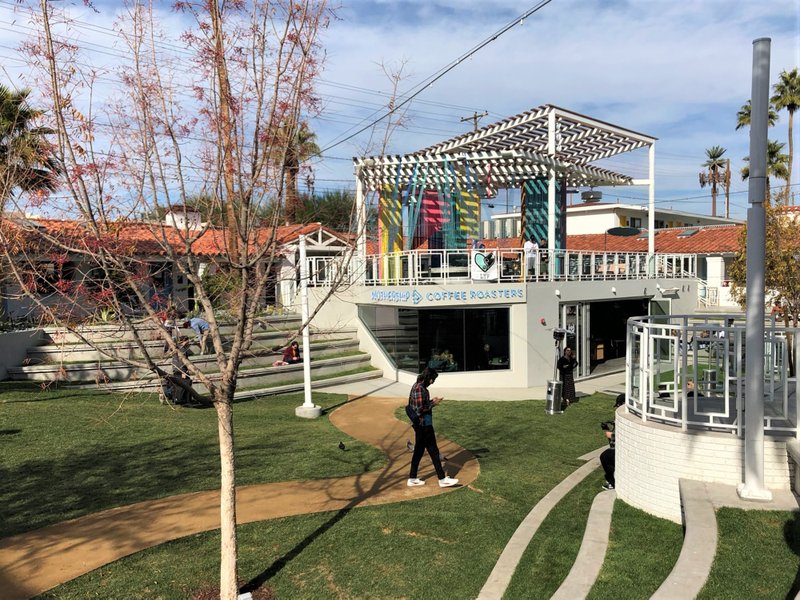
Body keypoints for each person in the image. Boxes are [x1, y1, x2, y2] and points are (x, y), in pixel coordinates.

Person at [406, 368, 459, 488]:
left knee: (419, 452)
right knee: (433, 451)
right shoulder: (420, 388)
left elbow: (420, 405)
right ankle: (442, 479)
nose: (432, 382)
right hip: (423, 425)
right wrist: (433, 403)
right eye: (432, 379)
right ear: (429, 378)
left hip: (422, 425)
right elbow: (420, 409)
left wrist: (431, 401)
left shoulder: (418, 386)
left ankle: (412, 478)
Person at [600, 394, 625, 490]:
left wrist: (612, 436)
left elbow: (623, 437)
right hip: (621, 448)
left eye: (618, 405)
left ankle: (612, 482)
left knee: (605, 457)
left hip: (623, 449)